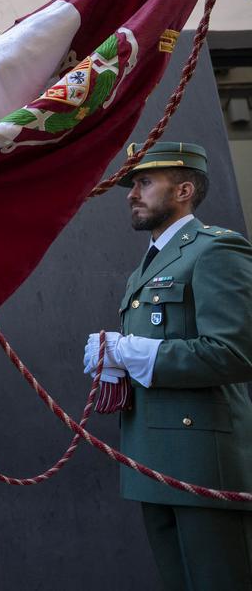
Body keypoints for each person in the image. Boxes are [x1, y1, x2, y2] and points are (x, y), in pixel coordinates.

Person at [81, 141, 252, 591]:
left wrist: (136, 353)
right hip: (151, 457)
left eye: (144, 182)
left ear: (184, 190)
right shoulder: (149, 265)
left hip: (201, 459)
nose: (131, 193)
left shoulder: (216, 251)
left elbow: (235, 353)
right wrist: (114, 360)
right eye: (132, 184)